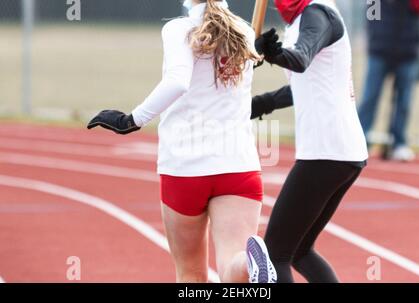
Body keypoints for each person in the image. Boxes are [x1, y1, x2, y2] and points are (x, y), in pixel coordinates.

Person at [87, 0, 276, 283]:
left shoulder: (179, 28)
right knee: (231, 268)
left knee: (191, 274)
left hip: (185, 168)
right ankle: (248, 266)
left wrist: (132, 120)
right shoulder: (244, 32)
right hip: (238, 166)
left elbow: (178, 81)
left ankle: (249, 267)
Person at [252, 0, 368, 283]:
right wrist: (259, 104)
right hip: (338, 151)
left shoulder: (318, 14)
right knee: (299, 251)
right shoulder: (303, 17)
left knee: (275, 254)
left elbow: (301, 59)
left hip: (327, 152)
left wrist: (275, 54)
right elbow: (306, 85)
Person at [358, 0, 419, 162]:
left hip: (408, 51)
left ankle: (398, 143)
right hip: (379, 50)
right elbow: (371, 14)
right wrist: (376, 37)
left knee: (403, 102)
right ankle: (359, 142)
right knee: (370, 98)